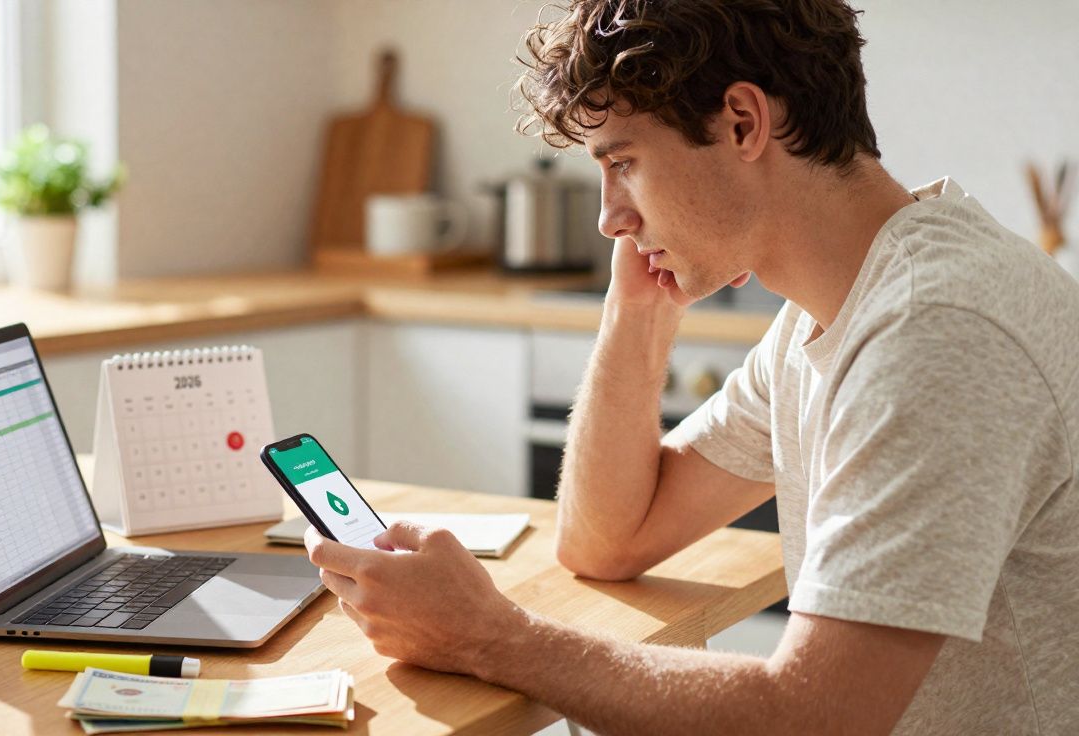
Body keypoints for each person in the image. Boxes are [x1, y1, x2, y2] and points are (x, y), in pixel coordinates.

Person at [303, 1, 1079, 732]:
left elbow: (814, 717)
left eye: (625, 162)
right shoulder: (832, 308)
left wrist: (488, 637)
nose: (610, 216)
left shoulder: (931, 333)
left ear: (742, 122)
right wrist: (636, 312)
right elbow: (610, 539)